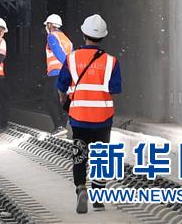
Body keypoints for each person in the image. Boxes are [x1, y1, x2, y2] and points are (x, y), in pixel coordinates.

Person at [56, 14, 121, 214]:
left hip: (79, 118)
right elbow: (115, 89)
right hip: (103, 119)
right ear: (103, 37)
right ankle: (99, 198)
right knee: (101, 156)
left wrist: (64, 100)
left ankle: (81, 188)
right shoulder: (111, 61)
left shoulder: (72, 58)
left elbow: (61, 86)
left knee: (80, 155)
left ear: (84, 34)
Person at [43, 13, 73, 135]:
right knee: (62, 100)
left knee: (48, 99)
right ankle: (62, 127)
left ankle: (58, 126)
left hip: (56, 73)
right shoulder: (67, 39)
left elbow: (58, 52)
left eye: (47, 25)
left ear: (50, 25)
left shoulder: (51, 36)